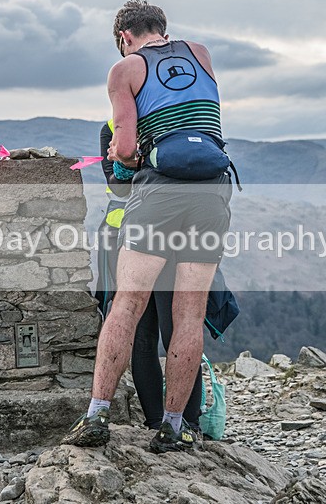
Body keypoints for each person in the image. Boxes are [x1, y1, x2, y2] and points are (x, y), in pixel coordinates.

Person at [63, 0, 232, 453]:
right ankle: (175, 426)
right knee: (189, 315)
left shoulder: (125, 69)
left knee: (127, 304)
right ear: (162, 28)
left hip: (160, 192)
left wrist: (130, 155)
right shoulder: (200, 53)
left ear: (124, 38)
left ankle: (97, 415)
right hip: (213, 189)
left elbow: (122, 150)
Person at [93, 121, 205, 434]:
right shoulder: (112, 128)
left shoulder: (170, 120)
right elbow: (118, 186)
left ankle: (186, 423)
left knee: (174, 330)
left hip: (168, 233)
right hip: (127, 237)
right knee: (143, 335)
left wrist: (133, 162)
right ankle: (158, 421)